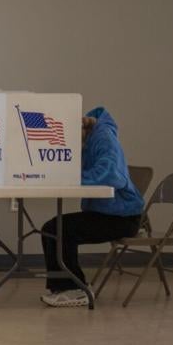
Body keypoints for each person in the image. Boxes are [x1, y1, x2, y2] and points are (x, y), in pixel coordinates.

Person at [39, 106, 145, 307]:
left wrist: (72, 179)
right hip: (109, 212)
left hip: (122, 218)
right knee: (53, 228)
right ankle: (63, 287)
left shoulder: (104, 139)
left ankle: (75, 289)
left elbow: (111, 175)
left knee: (59, 229)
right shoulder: (94, 137)